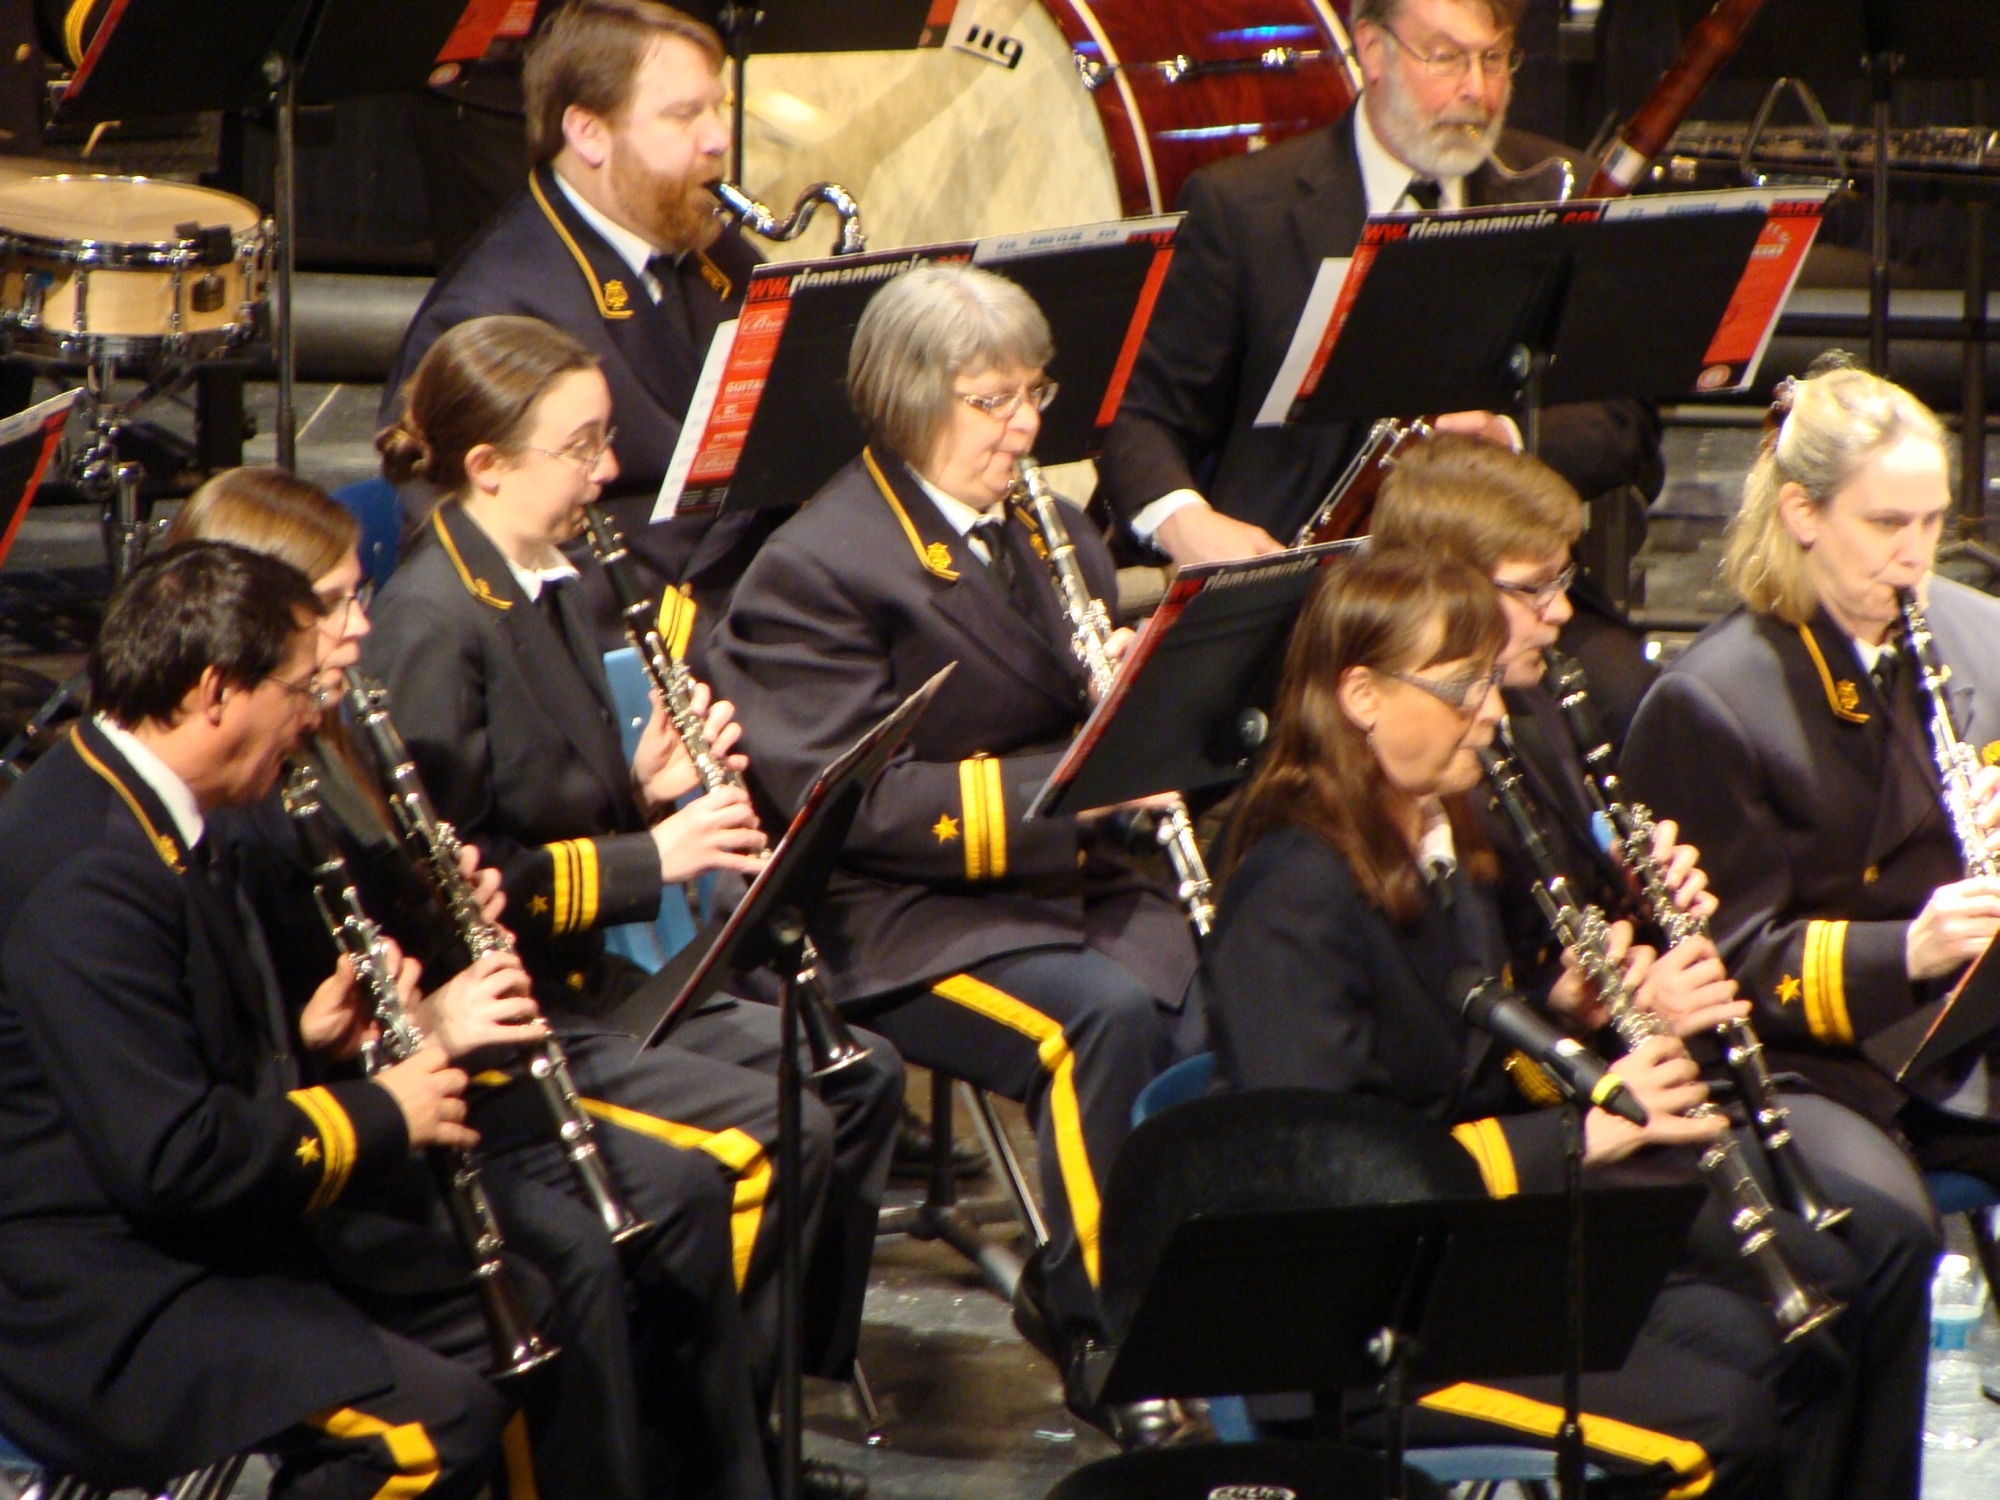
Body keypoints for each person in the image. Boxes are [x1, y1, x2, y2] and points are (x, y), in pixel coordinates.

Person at [1201, 547, 1923, 1500]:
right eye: (1461, 689)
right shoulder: (1291, 894)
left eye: (1490, 683)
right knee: (1730, 1410)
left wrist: (1572, 1021)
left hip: (1464, 1253)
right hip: (1362, 1335)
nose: (1490, 716)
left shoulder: (1435, 831)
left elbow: (1461, 1064)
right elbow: (1330, 1181)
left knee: (1817, 1303)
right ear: (1361, 695)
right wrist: (1585, 1134)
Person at [168, 466, 778, 1500]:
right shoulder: (239, 798)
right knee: (578, 1254)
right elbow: (261, 1036)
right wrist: (424, 1016)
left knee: (679, 1190)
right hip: (342, 1138)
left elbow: (374, 938)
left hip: (420, 1075)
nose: (360, 629)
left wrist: (447, 907)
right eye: (335, 607)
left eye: (359, 596)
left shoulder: (334, 735)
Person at [363, 314, 902, 1473]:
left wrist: (643, 785)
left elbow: (548, 793)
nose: (608, 471)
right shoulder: (429, 624)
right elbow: (451, 887)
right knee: (779, 1134)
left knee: (857, 1078)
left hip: (587, 974)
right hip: (517, 1010)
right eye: (582, 447)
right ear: (486, 465)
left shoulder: (548, 579)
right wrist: (656, 855)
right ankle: (707, 1445)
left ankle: (756, 1400)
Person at [1372, 434, 1938, 1499]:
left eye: (1562, 583)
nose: (1560, 613)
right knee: (1817, 1298)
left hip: (1623, 1089)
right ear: (1444, 589)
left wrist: (1632, 923)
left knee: (1879, 1248)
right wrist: (1603, 1012)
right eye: (1534, 589)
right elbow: (1461, 1036)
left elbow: (1549, 962)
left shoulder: (1537, 719)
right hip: (1554, 1144)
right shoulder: (1427, 780)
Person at [699, 263, 1200, 1438]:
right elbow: (849, 804)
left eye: (1034, 393)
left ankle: (1163, 1300)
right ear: (908, 400)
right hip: (890, 916)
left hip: (1056, 879)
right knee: (1097, 1025)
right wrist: (1073, 792)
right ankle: (1103, 1334)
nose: (1024, 427)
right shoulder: (819, 565)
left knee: (1213, 998)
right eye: (992, 401)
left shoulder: (1046, 524)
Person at [0, 542, 521, 1495]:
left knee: (519, 1308)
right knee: (428, 1431)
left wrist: (311, 1045)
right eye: (297, 690)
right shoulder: (91, 868)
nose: (311, 716)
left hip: (183, 1236)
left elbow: (170, 1053)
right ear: (216, 693)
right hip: (91, 1299)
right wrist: (384, 1112)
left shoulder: (140, 801)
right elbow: (171, 1156)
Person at [1093, 0, 1662, 569]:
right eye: (1445, 57)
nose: (1477, 90)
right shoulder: (1243, 208)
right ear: (1371, 49)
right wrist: (1185, 523)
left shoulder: (1560, 189)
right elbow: (1142, 415)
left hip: (1504, 579)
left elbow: (1624, 420)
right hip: (1302, 582)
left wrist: (1510, 438)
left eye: (1493, 59)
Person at [1623, 362, 2000, 1190]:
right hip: (1825, 1066)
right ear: (1802, 513)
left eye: (1933, 521)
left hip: (1971, 1036)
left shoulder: (1983, 634)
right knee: (1887, 1223)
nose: (1916, 555)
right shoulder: (1713, 700)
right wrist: (1908, 948)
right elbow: (1727, 957)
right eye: (1886, 523)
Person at [383, 0, 767, 635]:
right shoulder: (487, 313)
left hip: (745, 591)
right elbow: (482, 557)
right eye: (683, 115)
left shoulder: (709, 248)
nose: (718, 139)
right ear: (589, 133)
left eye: (716, 108)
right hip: (630, 632)